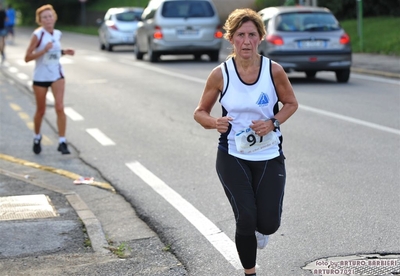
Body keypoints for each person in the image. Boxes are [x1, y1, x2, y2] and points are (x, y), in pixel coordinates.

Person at [193, 8, 298, 276]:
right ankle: (249, 272)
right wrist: (213, 122)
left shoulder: (273, 71)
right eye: (240, 35)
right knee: (246, 217)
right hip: (232, 155)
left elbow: (291, 103)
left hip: (269, 154)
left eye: (252, 34)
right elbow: (199, 112)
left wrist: (272, 122)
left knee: (269, 224)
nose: (247, 41)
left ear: (260, 38)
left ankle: (260, 231)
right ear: (231, 39)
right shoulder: (221, 74)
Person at [24, 4, 75, 155]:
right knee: (41, 111)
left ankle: (62, 141)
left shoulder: (58, 34)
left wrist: (64, 52)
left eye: (50, 16)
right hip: (40, 77)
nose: (48, 19)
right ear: (40, 20)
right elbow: (27, 58)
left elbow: (54, 53)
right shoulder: (37, 35)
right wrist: (43, 50)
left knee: (59, 107)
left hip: (57, 75)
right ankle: (37, 137)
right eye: (44, 17)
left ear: (54, 17)